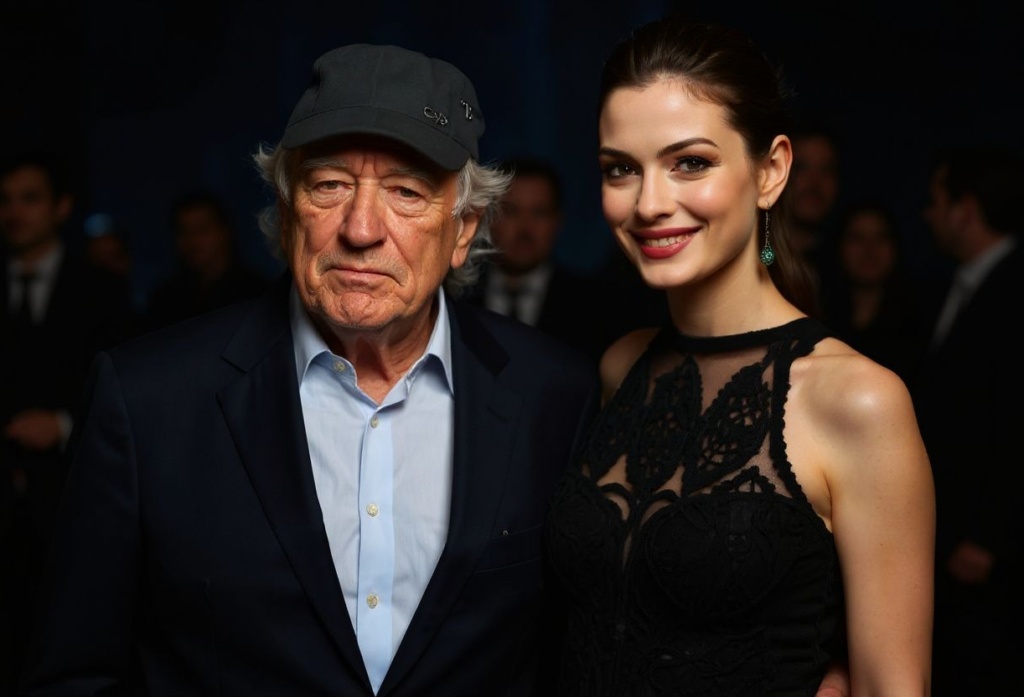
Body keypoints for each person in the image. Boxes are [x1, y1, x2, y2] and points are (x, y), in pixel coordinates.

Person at [17, 44, 600, 697]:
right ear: (288, 205)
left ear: (463, 229)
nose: (361, 228)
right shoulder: (148, 400)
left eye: (406, 192)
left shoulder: (554, 395)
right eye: (329, 185)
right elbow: (74, 675)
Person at [543, 16, 935, 696]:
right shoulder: (621, 366)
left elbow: (891, 685)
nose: (649, 204)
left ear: (771, 171)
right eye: (621, 169)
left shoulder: (857, 400)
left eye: (690, 162)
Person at [0, 150, 133, 693]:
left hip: (74, 499)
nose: (14, 212)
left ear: (61, 207)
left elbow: (129, 393)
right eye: (6, 200)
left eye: (29, 199)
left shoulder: (100, 289)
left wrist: (61, 424)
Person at [914, 145, 1024, 696]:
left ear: (966, 209)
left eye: (937, 201)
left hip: (987, 555)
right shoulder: (960, 285)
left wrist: (988, 536)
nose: (928, 214)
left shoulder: (1013, 289)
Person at [464, 155, 637, 363]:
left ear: (557, 221)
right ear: (487, 218)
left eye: (539, 213)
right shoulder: (457, 297)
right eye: (511, 211)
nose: (525, 229)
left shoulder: (595, 306)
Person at [820, 199, 930, 384]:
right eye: (857, 238)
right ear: (839, 246)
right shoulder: (818, 317)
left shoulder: (921, 323)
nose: (870, 250)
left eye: (881, 238)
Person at [143, 188, 270, 332]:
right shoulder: (167, 300)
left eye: (202, 229)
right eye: (184, 231)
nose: (193, 240)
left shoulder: (255, 294)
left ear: (225, 232)